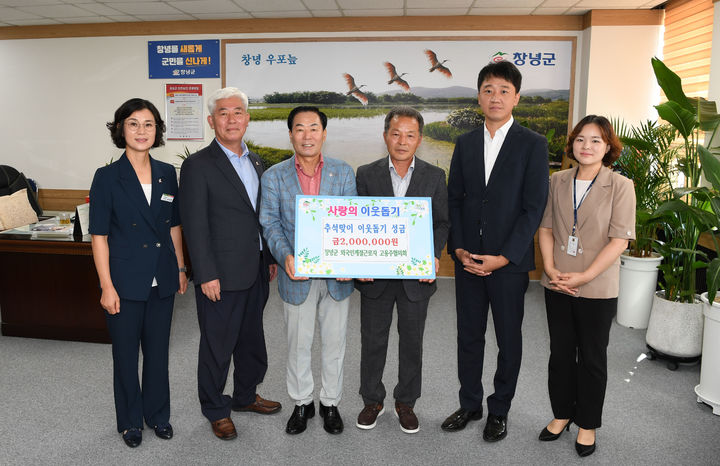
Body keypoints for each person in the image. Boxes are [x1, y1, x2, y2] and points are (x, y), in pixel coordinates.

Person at [443, 60, 549, 441]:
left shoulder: (533, 144)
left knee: (508, 339)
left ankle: (498, 409)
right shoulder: (465, 142)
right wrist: (457, 248)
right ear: (478, 96)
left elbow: (533, 207)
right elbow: (455, 199)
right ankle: (469, 403)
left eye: (504, 90)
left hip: (509, 263)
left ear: (516, 97)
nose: (496, 97)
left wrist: (505, 256)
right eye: (488, 90)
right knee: (468, 335)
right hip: (468, 259)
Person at [178, 87, 280, 441]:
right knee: (217, 345)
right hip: (219, 275)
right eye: (223, 113)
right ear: (212, 121)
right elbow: (194, 224)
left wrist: (268, 258)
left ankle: (245, 395)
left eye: (238, 112)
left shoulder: (255, 161)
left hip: (255, 269)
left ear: (247, 118)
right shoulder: (197, 165)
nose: (232, 119)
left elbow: (259, 216)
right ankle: (215, 409)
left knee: (252, 339)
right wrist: (205, 273)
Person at [90, 98, 188, 448]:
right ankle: (130, 421)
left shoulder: (166, 173)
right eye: (133, 123)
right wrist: (106, 286)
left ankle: (158, 415)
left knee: (158, 353)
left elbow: (173, 225)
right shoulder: (107, 177)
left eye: (148, 124)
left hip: (162, 276)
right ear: (120, 129)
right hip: (124, 281)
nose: (141, 131)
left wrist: (179, 266)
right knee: (126, 356)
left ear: (157, 131)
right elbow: (99, 236)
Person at [537, 115, 635, 457]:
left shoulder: (621, 185)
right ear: (572, 144)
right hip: (558, 281)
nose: (587, 146)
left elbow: (619, 240)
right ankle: (562, 413)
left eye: (596, 140)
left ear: (608, 147)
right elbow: (546, 228)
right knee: (560, 353)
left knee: (592, 357)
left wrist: (584, 275)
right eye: (580, 139)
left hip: (596, 286)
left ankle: (588, 423)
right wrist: (550, 268)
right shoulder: (558, 180)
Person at [259, 106, 356, 435]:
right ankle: (302, 402)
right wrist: (285, 255)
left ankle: (330, 402)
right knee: (298, 343)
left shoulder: (343, 172)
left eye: (314, 128)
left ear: (324, 133)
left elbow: (351, 221)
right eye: (299, 128)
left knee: (334, 342)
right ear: (290, 135)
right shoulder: (274, 176)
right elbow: (270, 223)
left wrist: (348, 261)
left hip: (336, 278)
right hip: (295, 274)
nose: (307, 135)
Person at [354, 106, 449, 434]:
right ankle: (372, 400)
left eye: (410, 135)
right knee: (373, 339)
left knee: (412, 341)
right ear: (385, 137)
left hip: (415, 278)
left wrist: (432, 256)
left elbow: (441, 223)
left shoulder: (434, 176)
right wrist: (359, 263)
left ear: (419, 139)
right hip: (375, 277)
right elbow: (358, 222)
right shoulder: (366, 173)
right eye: (396, 133)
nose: (402, 140)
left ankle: (406, 401)